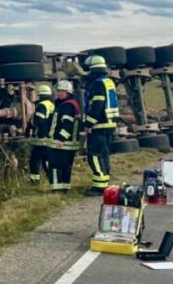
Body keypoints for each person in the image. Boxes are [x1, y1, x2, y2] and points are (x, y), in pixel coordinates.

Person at [82, 55, 119, 196]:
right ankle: (105, 181)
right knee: (104, 153)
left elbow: (97, 105)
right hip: (109, 124)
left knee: (94, 155)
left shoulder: (97, 84)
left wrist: (88, 123)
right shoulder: (108, 82)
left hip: (99, 125)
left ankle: (99, 186)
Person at [46, 80, 82, 193]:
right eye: (59, 91)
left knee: (55, 165)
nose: (60, 93)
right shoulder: (70, 104)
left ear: (68, 93)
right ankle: (65, 187)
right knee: (66, 166)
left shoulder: (67, 106)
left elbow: (67, 124)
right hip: (69, 143)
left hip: (62, 143)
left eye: (63, 91)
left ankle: (57, 189)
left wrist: (61, 139)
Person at [29, 84, 55, 184]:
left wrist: (31, 124)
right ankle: (51, 178)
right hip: (49, 137)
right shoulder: (51, 105)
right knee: (46, 160)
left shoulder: (41, 105)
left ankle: (34, 181)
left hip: (42, 138)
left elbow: (39, 120)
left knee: (35, 160)